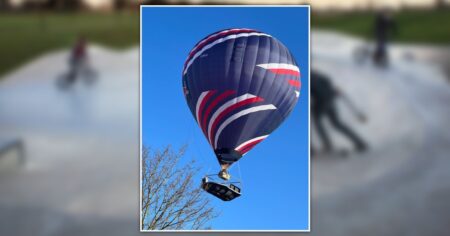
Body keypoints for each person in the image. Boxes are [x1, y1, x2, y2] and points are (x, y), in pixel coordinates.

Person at [311, 70, 368, 155]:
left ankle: (327, 145)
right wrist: (332, 91)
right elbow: (327, 81)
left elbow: (318, 89)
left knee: (319, 122)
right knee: (336, 124)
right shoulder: (316, 74)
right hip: (329, 100)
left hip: (322, 102)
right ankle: (360, 142)